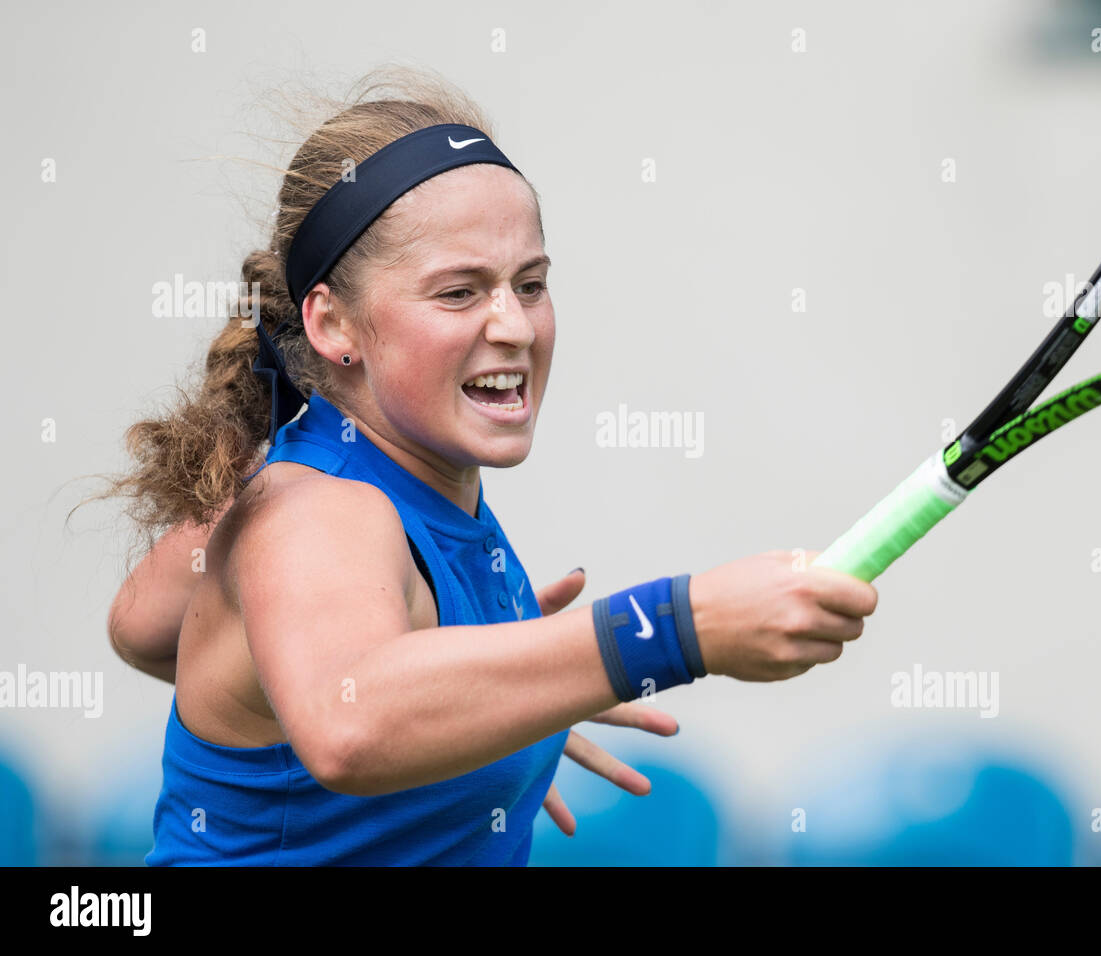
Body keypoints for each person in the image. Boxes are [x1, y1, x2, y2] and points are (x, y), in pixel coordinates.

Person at [105, 70, 878, 865]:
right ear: (333, 321)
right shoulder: (320, 511)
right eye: (458, 292)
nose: (514, 325)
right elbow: (351, 725)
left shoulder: (346, 482)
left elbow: (143, 622)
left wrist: (476, 714)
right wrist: (682, 627)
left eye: (531, 284)